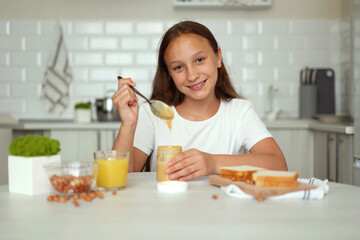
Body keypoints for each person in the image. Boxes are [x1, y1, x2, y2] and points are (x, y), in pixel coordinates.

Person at [112, 21, 287, 181]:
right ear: (169, 74)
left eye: (199, 60)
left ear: (218, 57)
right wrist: (128, 124)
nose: (192, 75)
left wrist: (212, 163)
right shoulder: (152, 115)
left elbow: (278, 165)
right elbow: (120, 178)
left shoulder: (239, 112)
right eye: (178, 67)